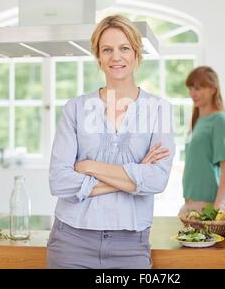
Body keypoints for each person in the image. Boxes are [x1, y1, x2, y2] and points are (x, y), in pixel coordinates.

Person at [47, 15, 175, 269]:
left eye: (124, 48)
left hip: (130, 245)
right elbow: (59, 181)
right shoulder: (75, 109)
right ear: (99, 58)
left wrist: (89, 166)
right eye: (107, 50)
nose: (116, 57)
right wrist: (133, 178)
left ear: (137, 54)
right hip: (71, 241)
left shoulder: (159, 110)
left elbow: (157, 180)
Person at [179, 66, 225, 216]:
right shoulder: (199, 119)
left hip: (207, 204)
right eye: (190, 88)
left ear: (213, 89)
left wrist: (217, 206)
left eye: (198, 88)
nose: (192, 94)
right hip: (190, 202)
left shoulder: (219, 120)